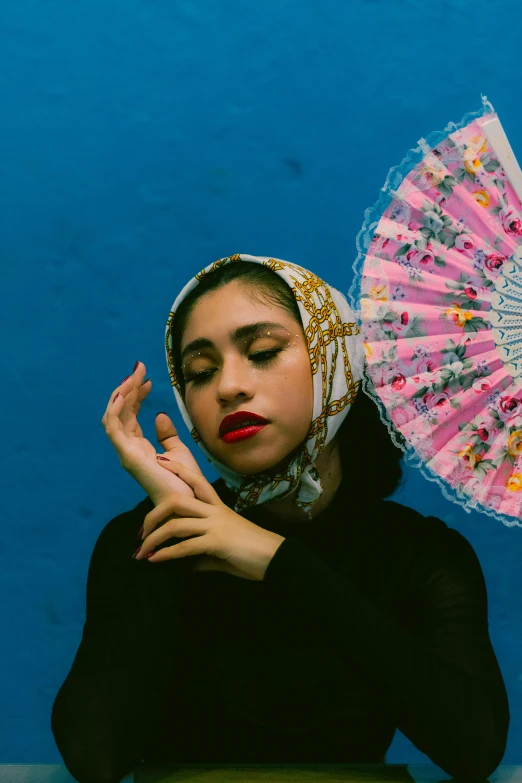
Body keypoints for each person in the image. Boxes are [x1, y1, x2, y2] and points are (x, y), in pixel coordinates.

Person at [51, 254, 509, 783]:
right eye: (200, 372)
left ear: (337, 362)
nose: (228, 387)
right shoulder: (151, 540)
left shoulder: (423, 554)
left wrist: (274, 559)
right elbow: (95, 757)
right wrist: (175, 524)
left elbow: (475, 748)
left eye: (263, 352)